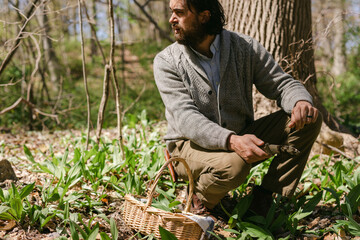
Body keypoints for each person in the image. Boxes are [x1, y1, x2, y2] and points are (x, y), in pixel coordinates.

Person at [153, 0, 322, 216]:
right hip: (187, 145)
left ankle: (264, 200)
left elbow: (281, 84)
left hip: (239, 135)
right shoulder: (166, 61)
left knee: (309, 118)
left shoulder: (244, 47)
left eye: (179, 12)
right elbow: (187, 119)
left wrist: (300, 101)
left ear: (204, 16)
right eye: (171, 12)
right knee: (234, 166)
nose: (171, 19)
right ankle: (198, 200)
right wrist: (232, 141)